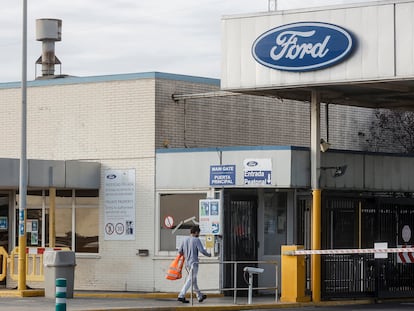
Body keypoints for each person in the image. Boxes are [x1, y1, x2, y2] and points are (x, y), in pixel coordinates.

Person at [177, 225, 211, 303]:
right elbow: (202, 250)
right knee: (191, 279)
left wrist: (186, 253)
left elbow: (180, 251)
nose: (198, 234)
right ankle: (181, 295)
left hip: (187, 263)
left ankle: (199, 296)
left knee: (193, 280)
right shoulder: (196, 240)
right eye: (198, 233)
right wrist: (209, 255)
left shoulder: (184, 240)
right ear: (196, 232)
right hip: (194, 263)